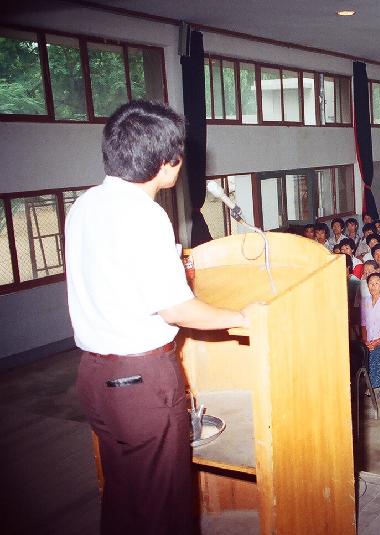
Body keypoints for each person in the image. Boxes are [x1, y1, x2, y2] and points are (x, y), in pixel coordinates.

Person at [67, 101, 248, 535]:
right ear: (166, 163)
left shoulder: (84, 205)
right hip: (140, 381)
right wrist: (244, 315)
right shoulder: (145, 216)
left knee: (124, 498)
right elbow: (177, 308)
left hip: (95, 377)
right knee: (164, 511)